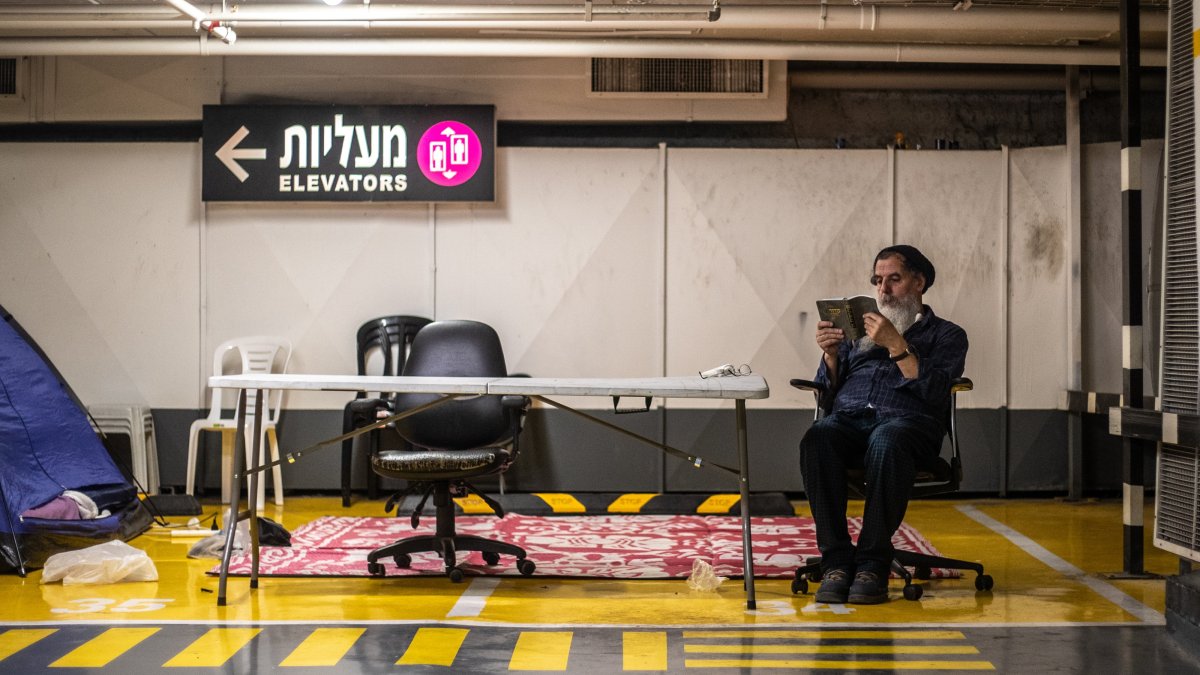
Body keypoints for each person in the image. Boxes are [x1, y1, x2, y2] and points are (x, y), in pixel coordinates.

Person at [799, 244, 967, 604]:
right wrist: (829, 355)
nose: (883, 290)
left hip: (909, 425)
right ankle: (836, 562)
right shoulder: (856, 335)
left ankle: (872, 563)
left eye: (894, 279)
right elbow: (826, 394)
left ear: (919, 283)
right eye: (878, 281)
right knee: (818, 436)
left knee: (888, 438)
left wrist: (897, 345)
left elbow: (936, 392)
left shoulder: (947, 335)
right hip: (850, 422)